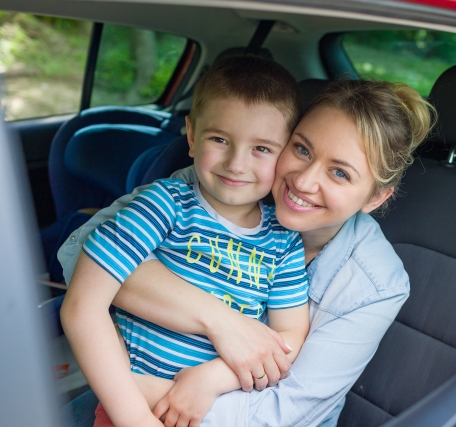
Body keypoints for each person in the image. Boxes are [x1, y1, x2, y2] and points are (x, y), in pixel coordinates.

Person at [59, 78, 436, 426]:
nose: (304, 181)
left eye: (340, 173)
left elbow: (285, 410)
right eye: (302, 149)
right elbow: (84, 252)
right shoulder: (219, 187)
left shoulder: (377, 284)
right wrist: (220, 320)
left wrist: (142, 393)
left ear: (375, 197)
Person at [60, 55, 311, 427]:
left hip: (221, 412)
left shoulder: (284, 241)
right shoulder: (163, 204)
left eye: (261, 148)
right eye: (220, 139)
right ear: (192, 136)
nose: (237, 163)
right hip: (135, 409)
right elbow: (82, 308)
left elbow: (288, 337)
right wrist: (134, 419)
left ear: (286, 153)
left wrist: (212, 380)